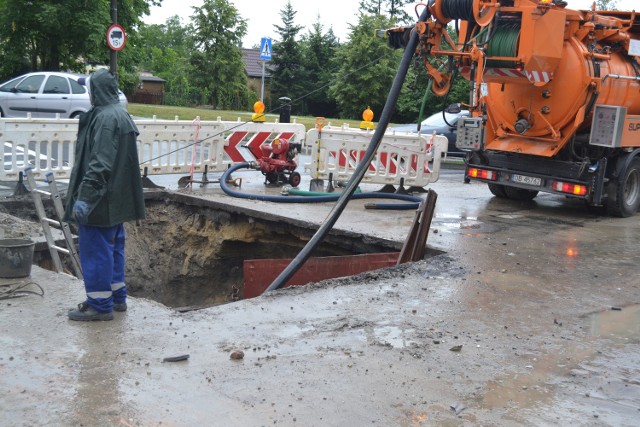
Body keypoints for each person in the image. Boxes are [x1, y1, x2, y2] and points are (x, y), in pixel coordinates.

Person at [64, 69, 145, 321]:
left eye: (89, 89)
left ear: (96, 91)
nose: (87, 94)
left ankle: (99, 306)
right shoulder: (120, 113)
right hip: (117, 202)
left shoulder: (105, 119)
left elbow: (100, 164)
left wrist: (85, 197)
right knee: (113, 249)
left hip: (101, 201)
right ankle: (117, 298)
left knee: (96, 251)